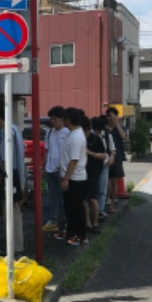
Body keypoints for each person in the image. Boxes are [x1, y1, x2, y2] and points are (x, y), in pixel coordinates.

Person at [0, 99, 25, 254]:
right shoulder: (15, 129)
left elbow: (4, 158)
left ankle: (13, 247)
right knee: (16, 211)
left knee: (10, 213)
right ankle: (18, 245)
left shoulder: (5, 133)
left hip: (9, 177)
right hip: (19, 175)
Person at [60, 108, 88, 246]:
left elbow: (74, 160)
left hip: (75, 178)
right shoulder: (73, 134)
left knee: (76, 208)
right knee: (70, 208)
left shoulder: (77, 136)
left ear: (68, 119)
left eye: (64, 118)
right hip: (71, 176)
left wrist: (66, 179)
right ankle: (71, 233)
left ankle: (81, 235)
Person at [42, 105, 69, 238]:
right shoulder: (50, 132)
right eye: (51, 119)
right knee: (52, 195)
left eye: (55, 119)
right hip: (50, 168)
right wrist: (45, 166)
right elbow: (47, 150)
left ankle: (63, 222)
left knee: (63, 198)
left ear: (62, 119)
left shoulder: (67, 132)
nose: (52, 121)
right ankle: (53, 220)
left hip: (62, 170)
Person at [85, 116, 108, 235]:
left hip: (94, 172)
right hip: (82, 173)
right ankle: (87, 223)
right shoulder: (79, 139)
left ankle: (95, 223)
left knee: (93, 199)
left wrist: (90, 153)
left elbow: (104, 156)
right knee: (84, 199)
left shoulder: (96, 139)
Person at [106, 107, 127, 213]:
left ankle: (112, 204)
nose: (111, 118)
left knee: (114, 181)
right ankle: (106, 201)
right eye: (109, 116)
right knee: (106, 182)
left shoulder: (120, 127)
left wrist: (117, 123)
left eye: (113, 116)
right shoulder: (104, 128)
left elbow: (124, 137)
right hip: (105, 157)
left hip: (117, 157)